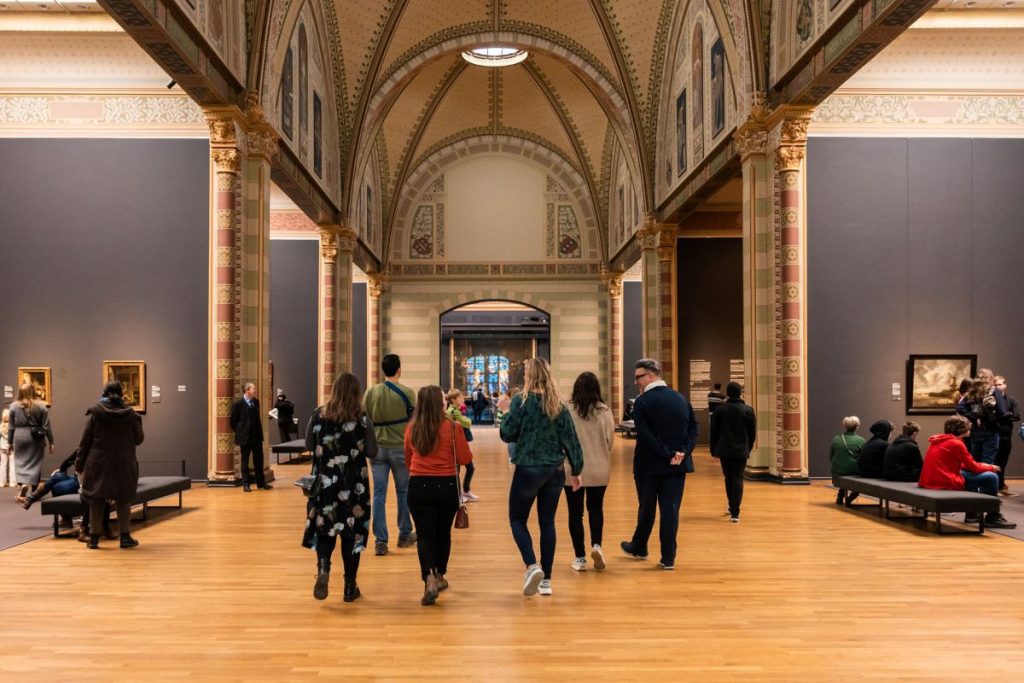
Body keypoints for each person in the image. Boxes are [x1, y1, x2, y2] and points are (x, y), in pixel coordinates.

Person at [500, 358, 583, 596]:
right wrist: (576, 470)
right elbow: (572, 440)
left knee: (517, 519)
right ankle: (546, 580)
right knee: (547, 523)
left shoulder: (520, 402)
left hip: (528, 469)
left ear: (528, 377)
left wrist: (505, 411)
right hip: (554, 471)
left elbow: (507, 434)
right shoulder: (558, 405)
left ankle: (532, 565)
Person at [304, 373, 376, 603]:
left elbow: (308, 444)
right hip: (354, 486)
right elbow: (372, 451)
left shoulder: (318, 414)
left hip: (324, 484)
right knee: (351, 534)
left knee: (325, 528)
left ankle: (324, 568)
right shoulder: (362, 418)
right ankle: (349, 586)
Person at [620, 358, 698, 571]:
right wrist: (682, 452)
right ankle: (668, 558)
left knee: (647, 507)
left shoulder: (642, 403)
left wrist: (667, 454)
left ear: (651, 376)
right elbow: (693, 427)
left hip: (648, 465)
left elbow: (645, 436)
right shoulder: (680, 398)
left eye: (639, 377)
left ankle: (640, 546)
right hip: (677, 466)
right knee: (670, 510)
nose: (636, 381)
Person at [405, 386, 473, 605]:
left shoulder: (412, 428)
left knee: (424, 535)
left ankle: (429, 577)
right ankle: (440, 575)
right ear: (440, 403)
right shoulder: (453, 428)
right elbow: (464, 458)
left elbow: (408, 458)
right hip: (446, 486)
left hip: (418, 485)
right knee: (443, 534)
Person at [75, 381, 145, 549]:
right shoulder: (130, 415)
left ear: (104, 393)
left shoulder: (95, 414)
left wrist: (79, 464)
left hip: (98, 462)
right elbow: (138, 439)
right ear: (122, 394)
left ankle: (93, 539)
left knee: (97, 499)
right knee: (123, 498)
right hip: (123, 461)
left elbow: (85, 442)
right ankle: (125, 537)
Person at [919, 416, 1015, 529]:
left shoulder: (940, 440)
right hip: (944, 480)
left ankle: (972, 513)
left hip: (931, 479)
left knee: (968, 473)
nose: (971, 428)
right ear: (961, 430)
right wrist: (989, 467)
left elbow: (962, 464)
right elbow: (973, 467)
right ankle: (992, 515)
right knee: (991, 477)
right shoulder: (956, 444)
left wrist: (982, 466)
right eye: (969, 426)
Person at [363, 353, 416, 556]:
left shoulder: (370, 392)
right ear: (399, 370)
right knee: (403, 492)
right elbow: (413, 420)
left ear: (383, 370)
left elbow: (365, 418)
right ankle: (404, 534)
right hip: (400, 448)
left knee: (378, 495)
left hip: (376, 449)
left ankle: (380, 541)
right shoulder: (408, 393)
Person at [563, 372, 614, 572]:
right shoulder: (605, 411)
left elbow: (563, 439)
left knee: (575, 514)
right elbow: (609, 440)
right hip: (600, 468)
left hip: (573, 470)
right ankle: (597, 545)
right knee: (596, 509)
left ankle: (580, 558)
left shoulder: (568, 410)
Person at [709, 382, 756, 523]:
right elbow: (752, 433)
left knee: (728, 478)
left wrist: (713, 450)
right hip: (741, 450)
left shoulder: (720, 410)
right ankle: (735, 512)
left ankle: (731, 505)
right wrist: (749, 447)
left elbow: (714, 432)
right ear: (740, 392)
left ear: (728, 393)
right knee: (737, 478)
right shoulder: (748, 410)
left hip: (724, 450)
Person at [7, 383, 55, 500]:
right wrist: (51, 441)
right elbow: (46, 426)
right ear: (33, 391)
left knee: (20, 462)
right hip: (35, 437)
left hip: (19, 436)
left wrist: (9, 442)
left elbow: (11, 427)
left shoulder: (13, 406)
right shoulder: (41, 406)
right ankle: (33, 490)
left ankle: (22, 485)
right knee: (35, 462)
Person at [229, 382, 271, 492]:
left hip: (256, 437)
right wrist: (240, 431)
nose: (255, 390)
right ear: (247, 390)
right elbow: (232, 421)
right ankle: (246, 484)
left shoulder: (256, 402)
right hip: (245, 438)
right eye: (254, 389)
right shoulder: (238, 404)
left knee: (259, 461)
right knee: (245, 461)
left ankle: (261, 483)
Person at [445, 389, 478, 502]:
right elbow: (467, 422)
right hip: (456, 445)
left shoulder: (455, 410)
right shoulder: (453, 411)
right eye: (460, 397)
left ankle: (465, 491)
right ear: (453, 400)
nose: (462, 399)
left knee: (469, 468)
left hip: (460, 444)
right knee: (457, 470)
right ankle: (459, 494)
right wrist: (466, 421)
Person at [829, 416, 864, 505]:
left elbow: (831, 456)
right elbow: (863, 458)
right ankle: (849, 500)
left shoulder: (836, 438)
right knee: (856, 476)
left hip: (837, 471)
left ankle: (841, 496)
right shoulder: (861, 440)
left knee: (845, 471)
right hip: (854, 471)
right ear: (857, 427)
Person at [993, 376, 1019, 495]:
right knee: (994, 461)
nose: (998, 387)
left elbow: (1017, 416)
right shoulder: (991, 400)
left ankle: (1001, 485)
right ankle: (995, 486)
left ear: (1005, 385)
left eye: (1000, 384)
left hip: (1006, 435)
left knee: (1003, 461)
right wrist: (1007, 415)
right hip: (994, 434)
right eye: (996, 385)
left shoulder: (1011, 400)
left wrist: (1004, 416)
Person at [0, 407, 14, 488]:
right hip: (12, 447)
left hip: (2, 448)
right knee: (12, 465)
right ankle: (12, 483)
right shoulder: (12, 427)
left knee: (3, 465)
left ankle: (2, 482)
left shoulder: (1, 426)